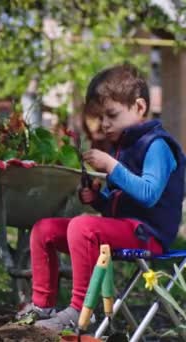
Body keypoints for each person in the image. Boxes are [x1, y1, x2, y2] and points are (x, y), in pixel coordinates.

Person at [17, 63, 185, 332]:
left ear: (139, 108)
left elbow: (149, 195)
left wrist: (111, 167)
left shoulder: (157, 146)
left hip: (149, 235)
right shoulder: (125, 146)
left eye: (111, 115)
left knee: (83, 226)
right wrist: (98, 199)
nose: (104, 124)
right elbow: (120, 203)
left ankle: (81, 310)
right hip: (124, 229)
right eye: (100, 117)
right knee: (44, 229)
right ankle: (42, 305)